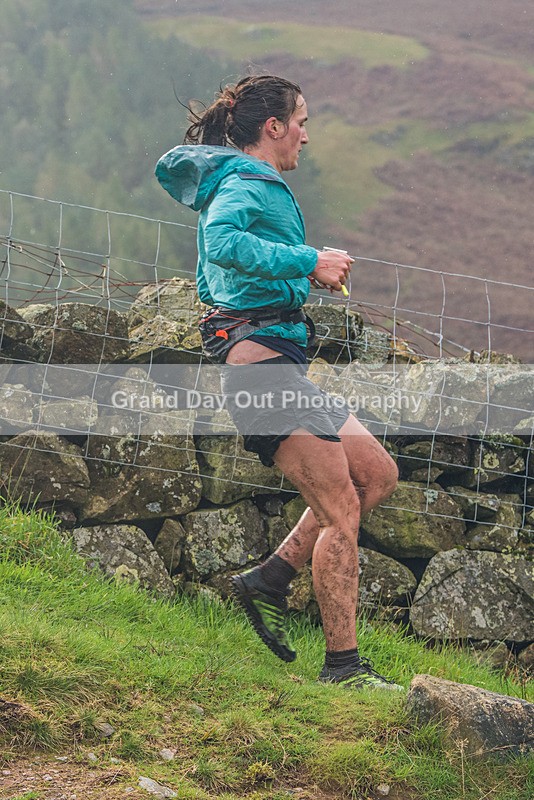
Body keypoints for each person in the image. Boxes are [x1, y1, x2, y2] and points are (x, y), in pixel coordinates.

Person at [156, 75, 401, 689]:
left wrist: (302, 272)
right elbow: (222, 243)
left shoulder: (250, 182)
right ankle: (343, 668)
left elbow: (229, 265)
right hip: (260, 370)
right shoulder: (246, 181)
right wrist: (307, 261)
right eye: (301, 122)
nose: (307, 136)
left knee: (376, 475)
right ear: (274, 127)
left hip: (279, 366)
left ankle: (268, 579)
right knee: (342, 508)